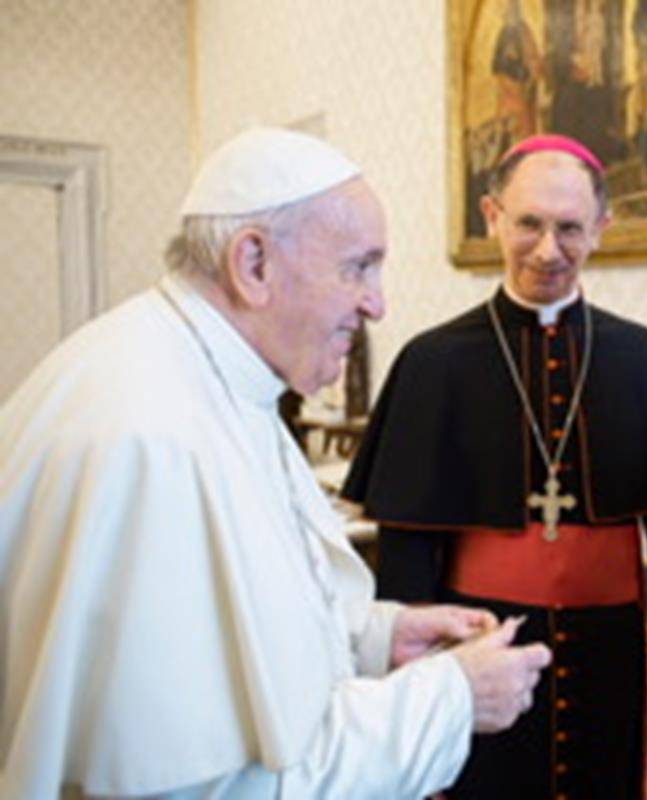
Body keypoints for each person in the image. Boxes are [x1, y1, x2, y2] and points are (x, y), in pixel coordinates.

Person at [0, 127, 552, 799]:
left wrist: (376, 638)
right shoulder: (154, 441)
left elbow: (250, 628)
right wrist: (451, 699)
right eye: (359, 266)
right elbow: (214, 786)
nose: (377, 303)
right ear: (254, 263)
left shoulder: (208, 379)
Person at [343, 133, 647, 799]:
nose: (549, 251)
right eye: (529, 224)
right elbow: (410, 544)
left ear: (602, 228)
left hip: (611, 638)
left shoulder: (638, 356)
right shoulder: (436, 363)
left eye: (571, 228)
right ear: (492, 217)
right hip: (480, 635)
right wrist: (415, 696)